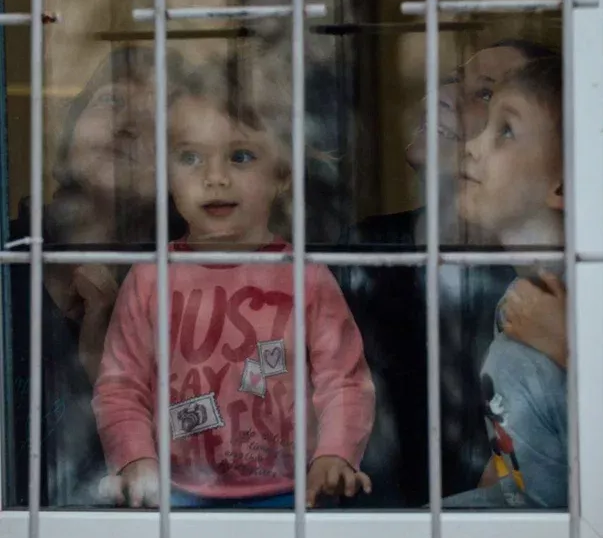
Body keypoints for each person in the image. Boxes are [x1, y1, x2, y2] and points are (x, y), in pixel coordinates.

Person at [93, 71, 375, 509]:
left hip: (294, 493)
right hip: (174, 496)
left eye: (240, 157)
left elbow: (344, 380)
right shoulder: (150, 278)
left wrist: (334, 455)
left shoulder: (305, 277)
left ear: (282, 173)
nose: (215, 177)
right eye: (190, 158)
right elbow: (121, 386)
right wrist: (136, 460)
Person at [338, 38, 559, 508]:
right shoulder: (360, 252)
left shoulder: (548, 292)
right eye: (453, 80)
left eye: (485, 94)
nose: (439, 95)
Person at [9, 45, 189, 507]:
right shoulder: (9, 255)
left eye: (156, 116)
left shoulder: (194, 282)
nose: (127, 124)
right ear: (67, 134)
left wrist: (99, 356)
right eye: (110, 100)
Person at [447, 54, 566, 508]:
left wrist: (567, 346)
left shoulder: (583, 301)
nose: (472, 146)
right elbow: (512, 462)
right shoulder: (519, 296)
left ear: (563, 184)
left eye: (506, 131)